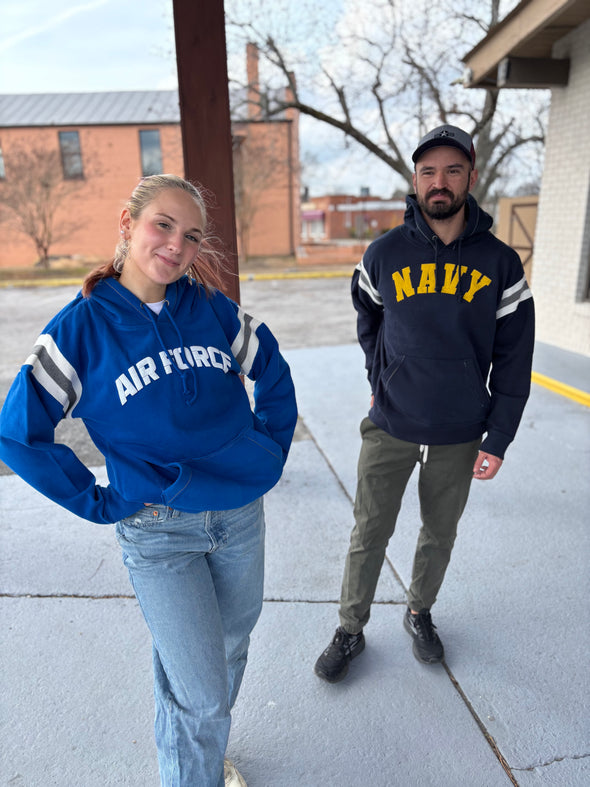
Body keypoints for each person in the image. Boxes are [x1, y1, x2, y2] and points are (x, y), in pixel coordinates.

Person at [0, 174, 298, 786]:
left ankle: (198, 756)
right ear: (128, 224)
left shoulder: (212, 309)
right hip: (159, 530)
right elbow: (19, 431)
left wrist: (266, 449)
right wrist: (97, 500)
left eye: (191, 237)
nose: (176, 246)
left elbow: (272, 370)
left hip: (240, 517)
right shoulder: (80, 329)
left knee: (230, 648)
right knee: (202, 693)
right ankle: (196, 771)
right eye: (163, 224)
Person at [314, 124, 534, 683]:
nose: (440, 182)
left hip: (462, 429)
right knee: (369, 532)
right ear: (415, 179)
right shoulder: (384, 253)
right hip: (391, 422)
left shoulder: (501, 264)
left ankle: (419, 612)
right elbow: (369, 319)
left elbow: (514, 357)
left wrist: (500, 435)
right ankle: (350, 628)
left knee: (440, 532)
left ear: (471, 178)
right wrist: (378, 374)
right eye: (428, 171)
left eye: (452, 171)